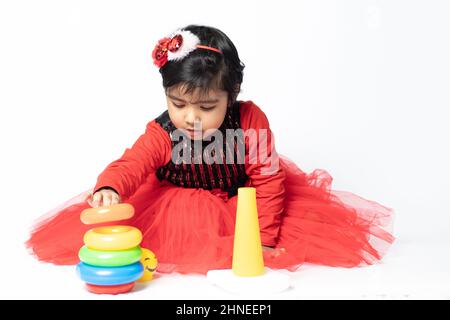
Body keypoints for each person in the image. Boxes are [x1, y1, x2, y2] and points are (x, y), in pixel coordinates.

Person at [26, 24, 395, 274]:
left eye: (206, 108)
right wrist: (110, 186)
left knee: (275, 219)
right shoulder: (164, 132)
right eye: (178, 104)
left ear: (231, 97)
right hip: (177, 206)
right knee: (136, 236)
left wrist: (263, 241)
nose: (190, 118)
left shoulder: (250, 121)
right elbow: (133, 162)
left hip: (241, 204)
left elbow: (267, 183)